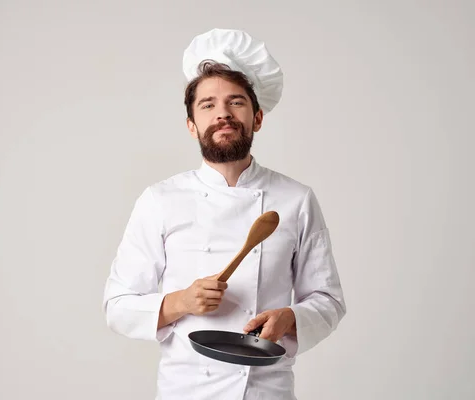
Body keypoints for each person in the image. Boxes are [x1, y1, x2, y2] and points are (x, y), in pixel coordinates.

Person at [102, 28, 346, 400]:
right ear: (191, 125)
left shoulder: (296, 199)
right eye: (208, 105)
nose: (223, 115)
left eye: (236, 103)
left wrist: (291, 318)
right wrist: (180, 301)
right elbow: (117, 306)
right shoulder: (160, 200)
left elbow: (328, 300)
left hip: (267, 390)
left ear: (257, 118)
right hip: (184, 390)